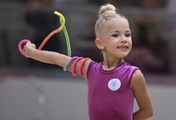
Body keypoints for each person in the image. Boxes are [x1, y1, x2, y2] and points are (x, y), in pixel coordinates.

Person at [23, 3, 153, 120]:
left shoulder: (133, 75)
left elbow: (147, 111)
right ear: (100, 43)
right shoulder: (90, 69)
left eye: (127, 34)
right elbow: (57, 58)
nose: (124, 39)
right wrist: (31, 52)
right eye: (115, 35)